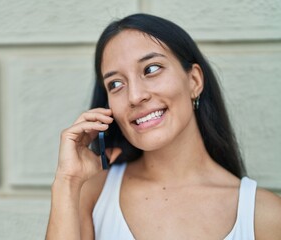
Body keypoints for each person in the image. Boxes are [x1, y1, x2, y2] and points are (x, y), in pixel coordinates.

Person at [46, 13, 281, 240]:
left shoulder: (265, 215)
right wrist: (66, 182)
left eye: (151, 69)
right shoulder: (93, 194)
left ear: (194, 81)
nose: (135, 96)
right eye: (116, 83)